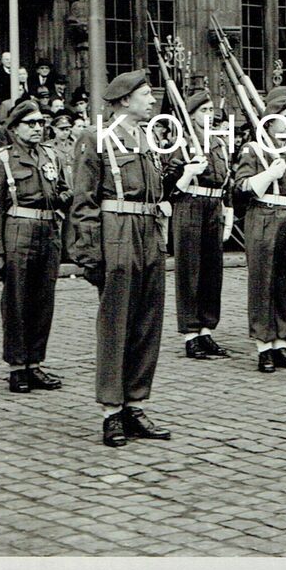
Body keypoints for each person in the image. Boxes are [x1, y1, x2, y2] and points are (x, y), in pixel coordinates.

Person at [70, 70, 172, 447]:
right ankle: (111, 411)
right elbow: (83, 202)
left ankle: (135, 403)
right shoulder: (95, 138)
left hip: (148, 233)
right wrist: (91, 254)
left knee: (147, 322)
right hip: (117, 233)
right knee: (116, 324)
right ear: (124, 100)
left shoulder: (146, 138)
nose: (153, 100)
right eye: (146, 95)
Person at [0, 100, 69, 394]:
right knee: (17, 300)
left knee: (43, 300)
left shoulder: (50, 155)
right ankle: (17, 367)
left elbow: (61, 189)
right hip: (18, 231)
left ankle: (35, 363)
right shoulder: (3, 160)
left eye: (40, 123)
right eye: (30, 124)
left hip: (48, 231)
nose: (37, 128)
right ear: (15, 128)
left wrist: (64, 197)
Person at [235, 90, 286, 373]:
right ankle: (264, 347)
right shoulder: (254, 149)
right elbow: (240, 187)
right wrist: (268, 175)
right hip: (265, 215)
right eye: (285, 117)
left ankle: (282, 342)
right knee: (263, 281)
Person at [168, 90, 234, 360]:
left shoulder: (218, 143)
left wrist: (228, 211)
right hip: (190, 204)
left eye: (210, 111)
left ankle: (206, 329)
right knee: (190, 269)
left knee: (211, 271)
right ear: (191, 115)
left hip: (213, 206)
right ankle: (190, 334)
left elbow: (226, 181)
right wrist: (188, 172)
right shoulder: (181, 144)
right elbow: (169, 186)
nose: (209, 115)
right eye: (203, 111)